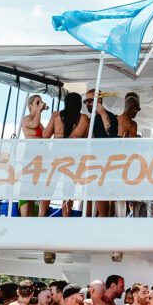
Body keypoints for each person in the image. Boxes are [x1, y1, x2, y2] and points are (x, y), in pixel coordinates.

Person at [42, 92, 89, 217]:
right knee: (69, 189)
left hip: (56, 155)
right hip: (73, 157)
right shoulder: (84, 119)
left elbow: (45, 135)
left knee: (49, 186)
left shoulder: (56, 116)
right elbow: (86, 139)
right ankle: (65, 218)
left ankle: (41, 216)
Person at [85, 89, 119, 217]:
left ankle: (103, 218)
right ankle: (97, 217)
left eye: (89, 100)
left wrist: (103, 113)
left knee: (102, 190)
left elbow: (111, 133)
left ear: (98, 100)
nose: (87, 104)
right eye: (85, 101)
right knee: (94, 190)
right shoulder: (93, 118)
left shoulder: (107, 115)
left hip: (104, 160)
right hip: (95, 159)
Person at [19, 94, 49, 216]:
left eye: (41, 102)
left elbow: (45, 134)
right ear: (30, 105)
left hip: (39, 159)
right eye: (37, 102)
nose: (40, 104)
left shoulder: (39, 120)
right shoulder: (26, 119)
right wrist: (38, 111)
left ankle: (35, 214)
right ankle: (25, 214)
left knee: (37, 187)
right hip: (30, 158)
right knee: (27, 187)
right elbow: (34, 125)